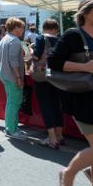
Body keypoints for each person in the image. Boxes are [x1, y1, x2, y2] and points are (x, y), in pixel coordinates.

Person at [49, 0, 93, 186]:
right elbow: (53, 63)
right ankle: (68, 173)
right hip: (82, 98)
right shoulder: (73, 34)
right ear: (86, 12)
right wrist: (85, 65)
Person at [32, 19, 63, 149]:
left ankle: (52, 138)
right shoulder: (61, 40)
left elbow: (36, 56)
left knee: (46, 105)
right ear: (56, 29)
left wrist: (30, 57)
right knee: (57, 105)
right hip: (58, 76)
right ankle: (60, 135)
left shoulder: (41, 38)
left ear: (44, 27)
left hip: (43, 76)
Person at [0, 17, 26, 138]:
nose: (23, 30)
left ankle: (11, 127)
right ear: (16, 28)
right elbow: (13, 61)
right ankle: (11, 130)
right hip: (12, 76)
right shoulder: (15, 41)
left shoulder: (4, 39)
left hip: (4, 74)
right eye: (22, 27)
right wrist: (18, 77)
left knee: (11, 102)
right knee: (14, 102)